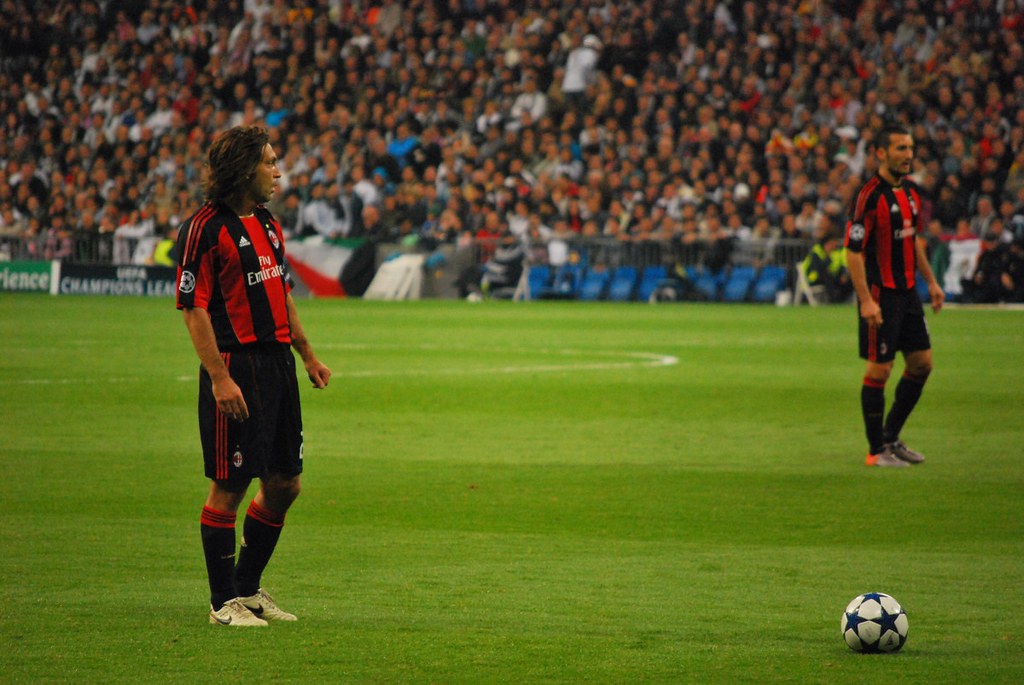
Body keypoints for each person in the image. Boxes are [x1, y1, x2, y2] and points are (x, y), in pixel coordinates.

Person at [175, 126, 331, 626]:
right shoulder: (204, 227)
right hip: (236, 368)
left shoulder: (267, 223)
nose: (278, 170)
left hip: (278, 365)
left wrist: (306, 353)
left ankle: (248, 590)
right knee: (230, 485)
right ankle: (224, 603)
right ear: (244, 169)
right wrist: (219, 378)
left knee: (285, 483)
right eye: (270, 161)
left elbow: (282, 290)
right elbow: (192, 307)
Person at [844, 124, 944, 468]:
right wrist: (866, 301)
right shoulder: (869, 196)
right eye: (900, 148)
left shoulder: (911, 193)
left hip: (908, 293)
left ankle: (891, 437)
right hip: (880, 294)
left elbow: (912, 240)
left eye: (910, 147)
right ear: (881, 154)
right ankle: (876, 452)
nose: (908, 154)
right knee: (880, 370)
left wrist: (931, 282)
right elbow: (852, 252)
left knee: (922, 363)